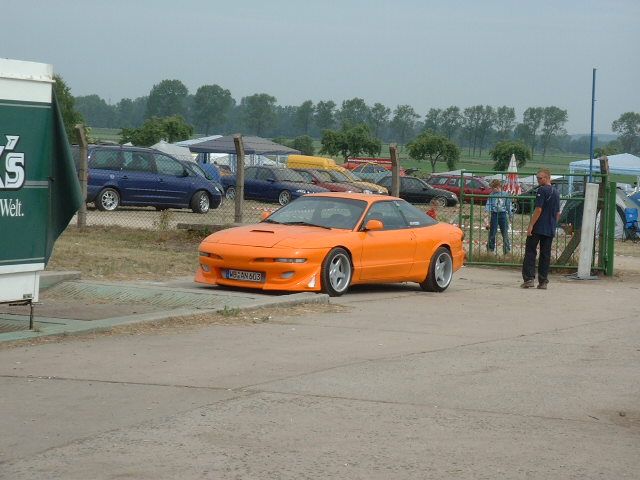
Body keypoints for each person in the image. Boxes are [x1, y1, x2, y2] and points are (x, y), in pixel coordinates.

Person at [521, 168, 561, 290]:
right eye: (537, 178)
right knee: (545, 254)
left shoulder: (542, 190)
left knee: (530, 252)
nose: (538, 180)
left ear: (547, 177)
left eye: (540, 178)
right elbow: (558, 213)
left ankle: (529, 279)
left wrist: (531, 225)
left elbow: (538, 209)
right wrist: (554, 224)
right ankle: (543, 281)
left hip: (538, 227)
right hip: (549, 228)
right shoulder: (556, 192)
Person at [484, 179, 511, 254]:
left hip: (503, 214)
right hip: (494, 214)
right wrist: (486, 215)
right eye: (492, 188)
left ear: (498, 187)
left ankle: (507, 250)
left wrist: (510, 215)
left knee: (505, 233)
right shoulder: (491, 195)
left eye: (493, 188)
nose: (492, 190)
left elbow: (508, 205)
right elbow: (488, 205)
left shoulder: (505, 195)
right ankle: (490, 249)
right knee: (492, 232)